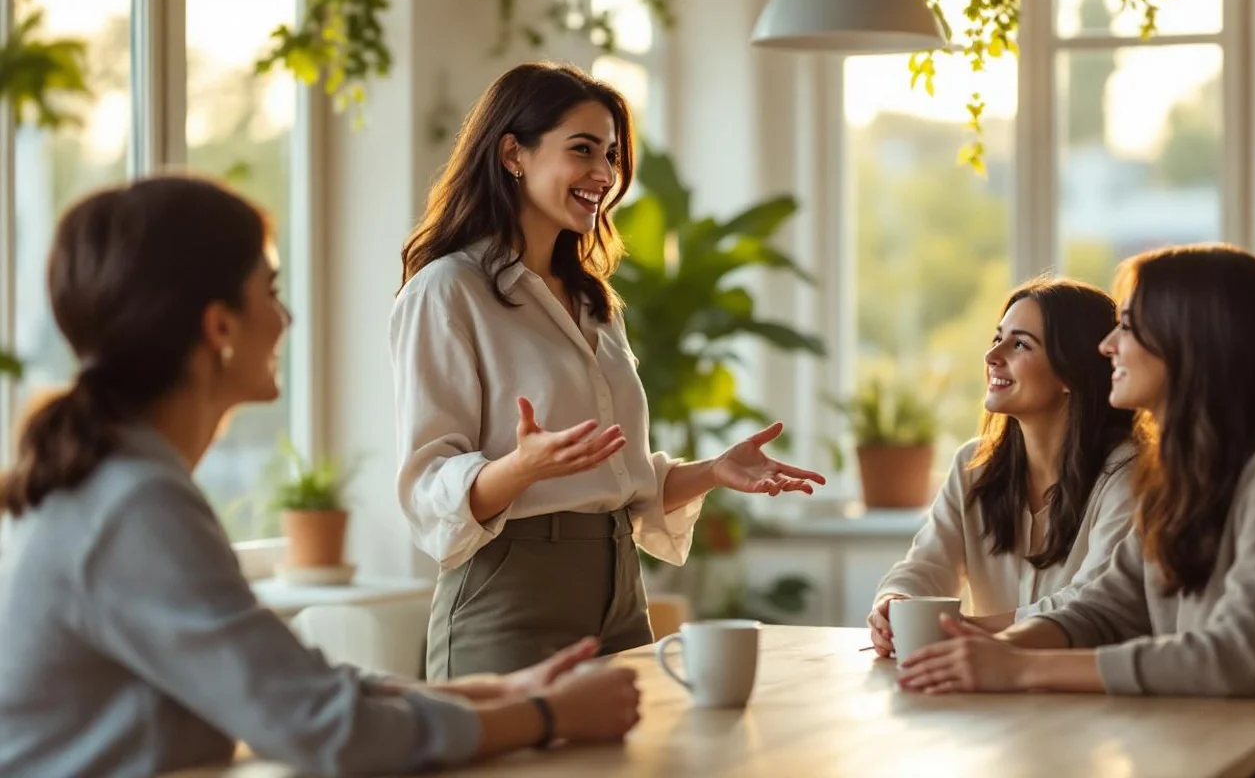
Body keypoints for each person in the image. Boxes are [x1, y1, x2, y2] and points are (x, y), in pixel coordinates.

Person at [0, 176, 643, 777]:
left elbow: (295, 685)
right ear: (219, 326)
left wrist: (493, 692)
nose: (286, 320)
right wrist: (546, 717)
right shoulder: (133, 506)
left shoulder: (118, 487)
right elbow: (320, 727)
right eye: (271, 292)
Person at [392, 61, 825, 679]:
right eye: (583, 149)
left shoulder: (593, 302)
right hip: (510, 599)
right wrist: (521, 467)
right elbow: (427, 484)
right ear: (513, 154)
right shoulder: (447, 290)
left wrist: (713, 471)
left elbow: (617, 482)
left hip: (620, 594)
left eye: (612, 155)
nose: (605, 173)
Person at [897, 245, 1255, 776]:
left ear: (1192, 342)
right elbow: (1103, 607)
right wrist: (991, 651)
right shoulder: (1179, 474)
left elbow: (1238, 655)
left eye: (1127, 328)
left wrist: (1022, 668)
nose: (1106, 346)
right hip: (1200, 751)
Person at [868, 278, 1138, 655]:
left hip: (1086, 685)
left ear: (1070, 372)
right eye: (998, 338)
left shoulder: (1128, 472)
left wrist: (967, 629)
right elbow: (927, 566)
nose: (992, 355)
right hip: (987, 683)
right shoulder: (972, 465)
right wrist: (896, 602)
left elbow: (1091, 604)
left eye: (1020, 344)